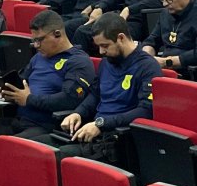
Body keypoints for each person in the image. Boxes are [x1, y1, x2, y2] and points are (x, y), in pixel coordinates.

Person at [57, 13, 160, 162]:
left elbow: (146, 111)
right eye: (99, 46)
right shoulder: (107, 61)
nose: (101, 52)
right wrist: (78, 113)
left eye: (105, 46)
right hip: (95, 133)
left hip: (119, 140)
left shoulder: (148, 67)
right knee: (44, 147)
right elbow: (95, 95)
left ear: (121, 38)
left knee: (58, 157)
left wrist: (101, 124)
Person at [0, 11, 95, 140]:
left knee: (7, 144)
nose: (36, 45)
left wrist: (29, 99)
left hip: (46, 126)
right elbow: (22, 82)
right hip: (19, 120)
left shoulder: (78, 62)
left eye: (39, 40)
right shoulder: (39, 57)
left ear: (57, 34)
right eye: (34, 40)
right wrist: (10, 91)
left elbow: (69, 100)